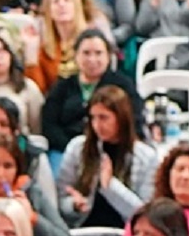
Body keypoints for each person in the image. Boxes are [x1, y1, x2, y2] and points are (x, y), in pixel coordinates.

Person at [56, 86, 159, 229]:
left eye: (103, 118)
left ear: (121, 118)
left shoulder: (147, 157)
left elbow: (144, 213)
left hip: (125, 235)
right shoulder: (77, 147)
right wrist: (73, 205)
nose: (97, 125)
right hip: (82, 231)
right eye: (93, 118)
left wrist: (110, 186)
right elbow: (60, 200)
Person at [38, 29, 136, 160]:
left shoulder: (123, 85)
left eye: (98, 53)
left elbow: (134, 118)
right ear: (76, 56)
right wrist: (72, 148)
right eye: (86, 53)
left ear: (108, 56)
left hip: (112, 151)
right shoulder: (62, 86)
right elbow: (49, 124)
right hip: (65, 151)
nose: (92, 59)